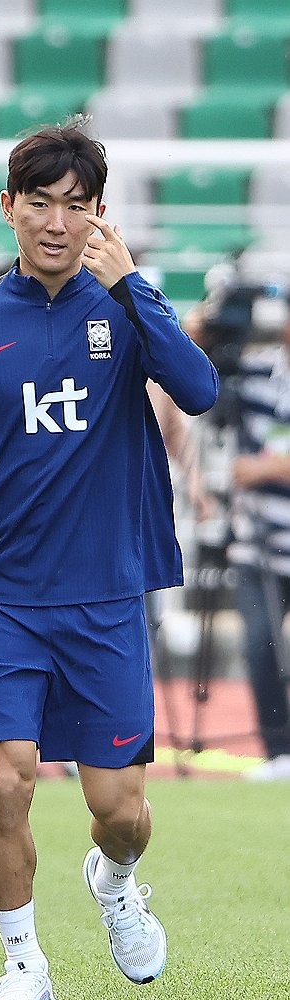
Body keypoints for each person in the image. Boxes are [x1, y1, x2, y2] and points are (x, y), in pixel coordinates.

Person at [0, 117, 218, 1000]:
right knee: (5, 779)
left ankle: (113, 884)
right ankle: (24, 966)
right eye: (38, 202)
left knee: (119, 810)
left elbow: (198, 390)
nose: (56, 222)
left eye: (75, 206)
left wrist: (135, 284)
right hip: (1, 592)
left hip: (107, 589)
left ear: (98, 215)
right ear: (8, 208)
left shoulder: (125, 307)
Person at [223, 308, 290, 781]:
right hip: (256, 542)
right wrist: (213, 315)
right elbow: (203, 367)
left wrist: (266, 468)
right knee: (259, 644)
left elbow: (256, 465)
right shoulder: (257, 368)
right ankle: (277, 752)